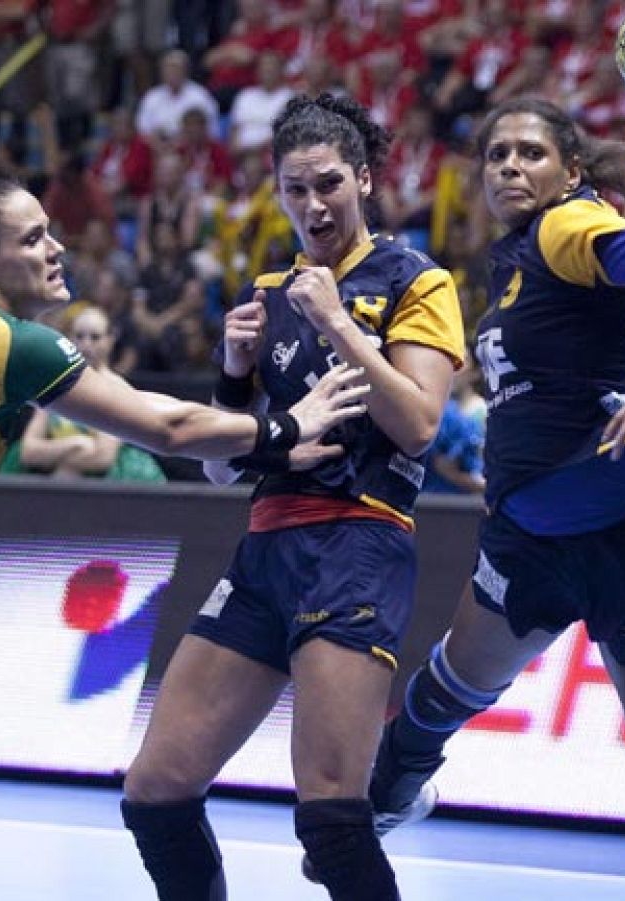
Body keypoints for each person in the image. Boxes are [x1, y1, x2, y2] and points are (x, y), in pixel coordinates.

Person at [0, 178, 367, 901]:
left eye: (51, 230)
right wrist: (286, 424)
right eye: (33, 238)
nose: (56, 248)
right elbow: (162, 426)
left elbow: (153, 407)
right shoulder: (8, 341)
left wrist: (262, 446)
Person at [365, 74, 625, 860]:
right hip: (531, 539)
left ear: (571, 174)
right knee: (442, 691)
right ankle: (377, 806)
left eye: (531, 152)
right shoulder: (525, 256)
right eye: (497, 154)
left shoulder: (565, 228)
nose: (509, 166)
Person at [120, 93, 463, 901]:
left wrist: (341, 323)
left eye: (330, 184)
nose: (314, 205)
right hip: (266, 545)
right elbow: (222, 469)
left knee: (331, 820)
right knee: (155, 788)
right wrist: (233, 377)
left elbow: (416, 425)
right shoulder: (268, 291)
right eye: (295, 188)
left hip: (358, 543)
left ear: (366, 180)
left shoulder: (419, 280)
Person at [5, 306, 166, 481]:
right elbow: (28, 452)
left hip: (111, 485)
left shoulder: (118, 388)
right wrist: (77, 445)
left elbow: (103, 458)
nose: (86, 344)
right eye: (79, 336)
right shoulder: (56, 382)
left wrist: (59, 464)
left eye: (95, 337)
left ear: (110, 339)